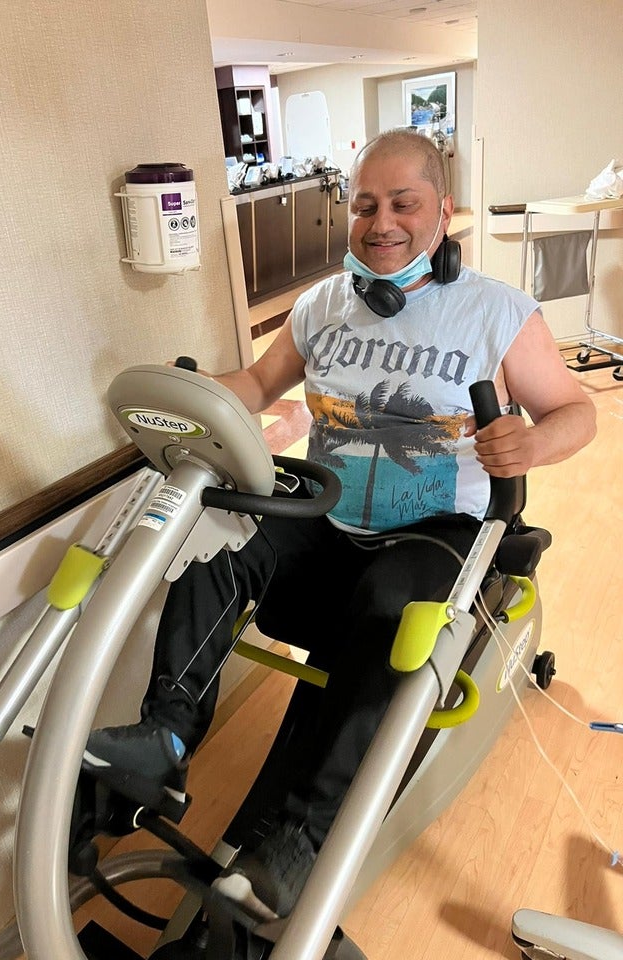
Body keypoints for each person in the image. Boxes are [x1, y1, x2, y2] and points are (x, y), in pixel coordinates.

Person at [82, 130, 597, 919]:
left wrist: (531, 442)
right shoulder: (323, 306)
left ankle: (304, 834)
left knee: (393, 606)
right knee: (216, 545)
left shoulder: (496, 313)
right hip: (326, 525)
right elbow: (257, 382)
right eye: (364, 205)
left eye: (403, 204)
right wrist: (190, 391)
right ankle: (168, 737)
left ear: (442, 212)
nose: (380, 222)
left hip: (433, 534)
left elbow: (576, 411)